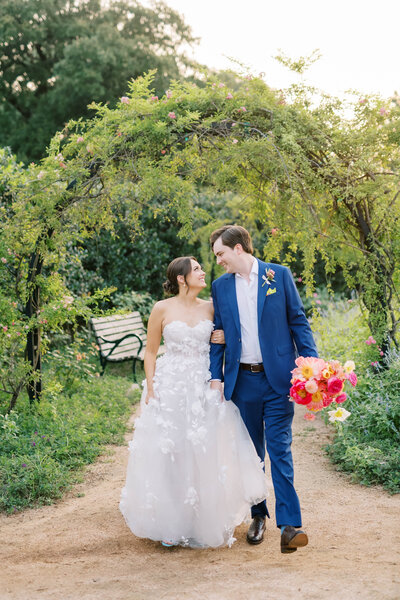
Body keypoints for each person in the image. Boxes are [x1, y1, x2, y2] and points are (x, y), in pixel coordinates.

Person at [119, 256, 267, 548]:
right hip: (170, 385)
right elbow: (150, 352)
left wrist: (224, 337)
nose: (202, 272)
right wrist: (150, 387)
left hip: (203, 385)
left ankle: (203, 520)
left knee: (205, 450)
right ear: (181, 278)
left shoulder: (212, 306)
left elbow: (236, 335)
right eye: (197, 269)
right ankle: (173, 522)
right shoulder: (161, 308)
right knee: (173, 451)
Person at [209, 225, 318, 554]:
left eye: (221, 254)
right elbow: (218, 335)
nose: (219, 261)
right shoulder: (220, 287)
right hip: (242, 382)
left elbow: (298, 321)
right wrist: (216, 376)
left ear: (238, 248)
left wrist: (312, 367)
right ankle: (259, 516)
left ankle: (289, 526)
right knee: (252, 454)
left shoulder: (278, 275)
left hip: (279, 380)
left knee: (280, 449)